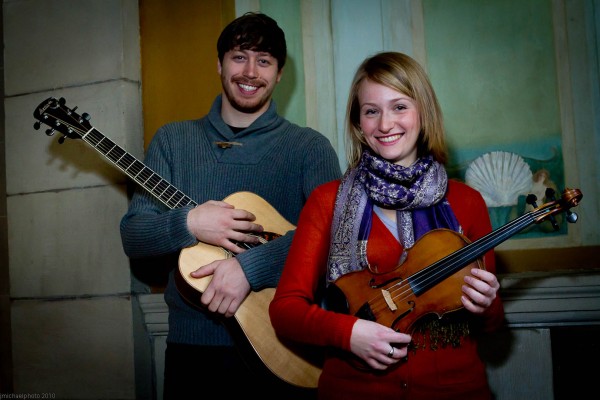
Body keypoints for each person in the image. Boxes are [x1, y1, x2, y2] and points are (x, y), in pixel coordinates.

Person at [120, 12, 341, 399]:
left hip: (286, 348)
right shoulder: (172, 141)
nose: (251, 71)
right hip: (193, 354)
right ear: (219, 63)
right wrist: (189, 222)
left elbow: (334, 238)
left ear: (279, 73)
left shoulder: (309, 147)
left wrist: (249, 268)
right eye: (239, 56)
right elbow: (135, 235)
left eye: (264, 61)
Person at [269, 51, 506, 399]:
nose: (385, 124)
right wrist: (349, 334)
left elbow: (492, 324)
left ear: (423, 113)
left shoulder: (467, 202)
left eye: (399, 107)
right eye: (371, 111)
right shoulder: (326, 201)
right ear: (357, 124)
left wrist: (487, 304)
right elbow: (285, 310)